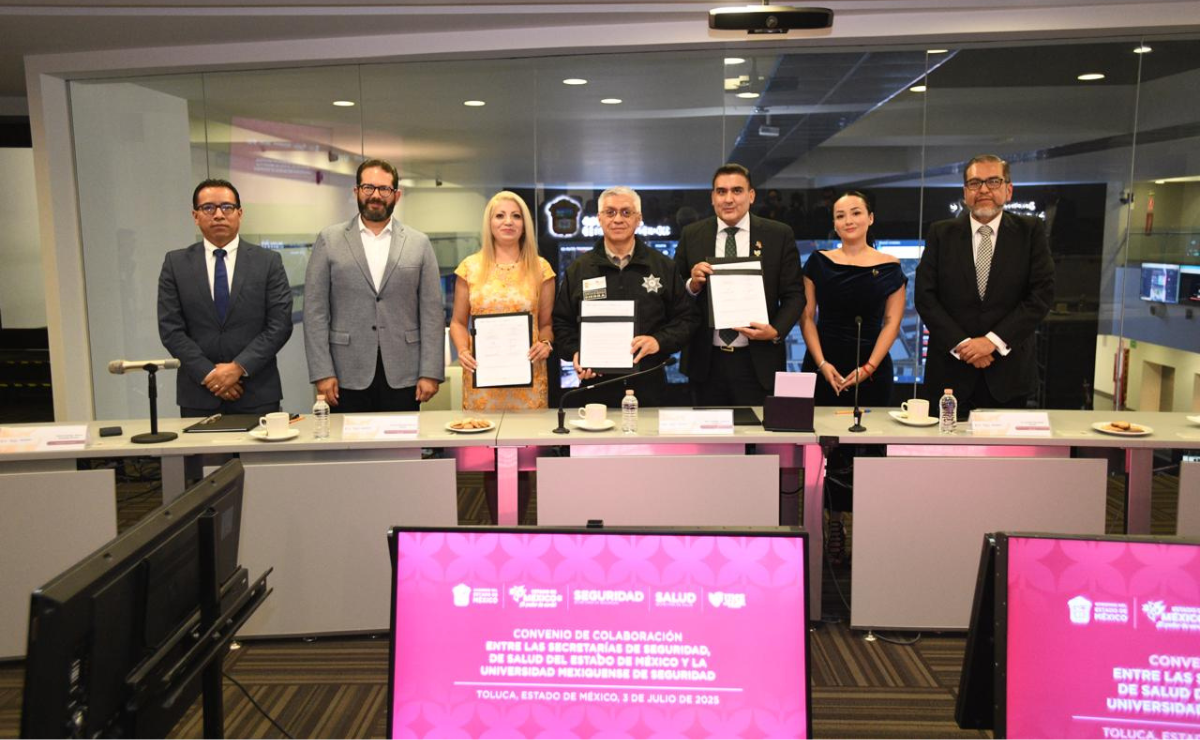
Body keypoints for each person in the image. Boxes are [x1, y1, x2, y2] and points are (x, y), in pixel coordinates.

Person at [915, 154, 1054, 415]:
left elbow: (1041, 295)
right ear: (965, 192)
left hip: (1008, 376)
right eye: (975, 183)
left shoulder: (1030, 231)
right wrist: (964, 345)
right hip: (950, 375)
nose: (984, 190)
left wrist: (991, 342)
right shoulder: (940, 233)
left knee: (1004, 457)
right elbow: (925, 296)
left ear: (1008, 189)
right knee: (945, 456)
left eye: (993, 181)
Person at [304, 159, 444, 412]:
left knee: (400, 449)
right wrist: (321, 372)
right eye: (368, 187)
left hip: (405, 372)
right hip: (345, 371)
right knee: (348, 449)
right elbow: (315, 312)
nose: (375, 195)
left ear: (396, 195)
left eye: (384, 189)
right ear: (356, 191)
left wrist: (431, 372)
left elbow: (432, 313)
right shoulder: (329, 240)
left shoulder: (419, 243)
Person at [157, 179, 294, 417]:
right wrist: (210, 375)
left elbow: (280, 325)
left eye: (227, 207)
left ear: (240, 213)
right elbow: (171, 329)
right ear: (195, 215)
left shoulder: (268, 262)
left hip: (257, 392)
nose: (218, 215)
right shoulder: (176, 264)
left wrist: (238, 368)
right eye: (208, 208)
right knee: (203, 456)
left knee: (258, 456)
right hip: (199, 394)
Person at [552, 186, 697, 407]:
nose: (618, 219)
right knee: (596, 442)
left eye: (626, 212)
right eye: (610, 212)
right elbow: (562, 323)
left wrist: (658, 341)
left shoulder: (663, 267)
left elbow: (687, 319)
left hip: (650, 386)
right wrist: (576, 352)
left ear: (639, 219)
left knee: (650, 442)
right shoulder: (579, 270)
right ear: (599, 218)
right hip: (596, 387)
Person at [675, 164, 804, 406]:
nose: (729, 199)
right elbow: (674, 295)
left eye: (737, 190)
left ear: (751, 195)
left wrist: (775, 332)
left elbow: (795, 295)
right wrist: (692, 284)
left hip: (758, 361)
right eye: (721, 192)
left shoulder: (778, 234)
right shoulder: (692, 235)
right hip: (706, 362)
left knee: (758, 440)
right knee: (708, 440)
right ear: (713, 197)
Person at [449, 191, 555, 410]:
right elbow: (458, 323)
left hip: (529, 378)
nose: (508, 222)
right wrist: (463, 351)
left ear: (524, 224)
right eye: (500, 216)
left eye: (516, 216)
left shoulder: (541, 268)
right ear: (489, 223)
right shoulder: (469, 268)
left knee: (530, 442)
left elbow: (546, 325)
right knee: (480, 441)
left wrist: (545, 344)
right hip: (482, 377)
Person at [799, 191, 906, 406]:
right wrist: (822, 364)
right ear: (835, 224)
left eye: (856, 213)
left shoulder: (890, 266)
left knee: (870, 436)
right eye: (840, 216)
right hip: (823, 364)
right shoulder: (818, 262)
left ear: (870, 218)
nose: (848, 221)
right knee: (820, 435)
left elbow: (892, 323)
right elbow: (807, 318)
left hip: (873, 367)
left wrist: (868, 368)